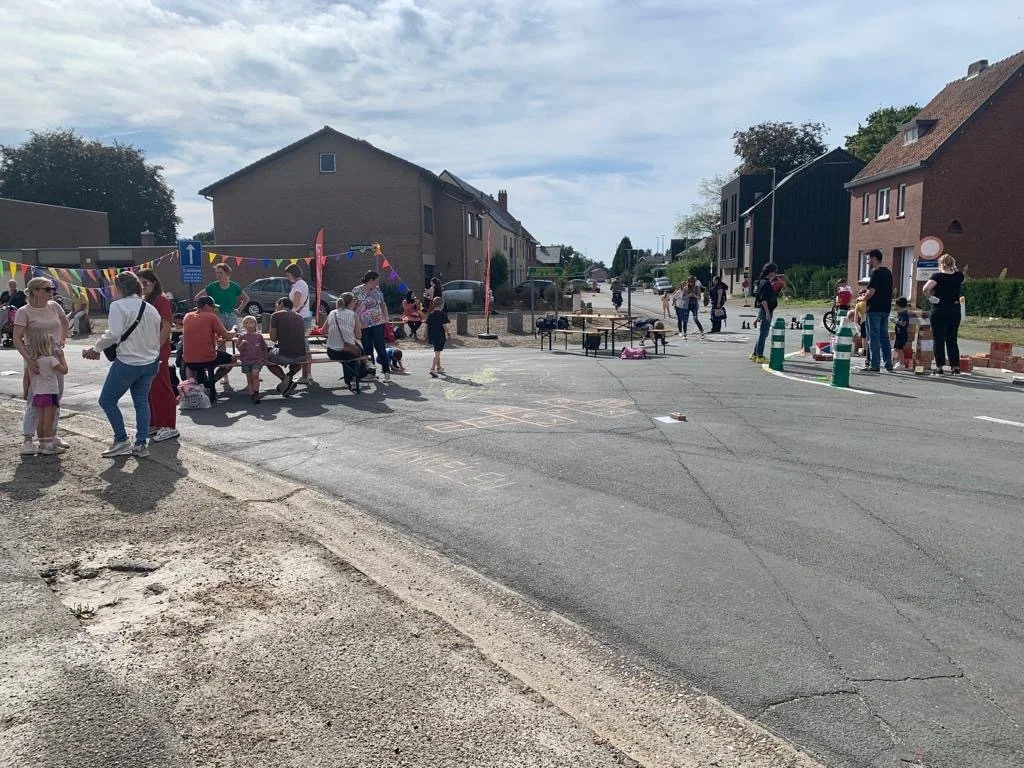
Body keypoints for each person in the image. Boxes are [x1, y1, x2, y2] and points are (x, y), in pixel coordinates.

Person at [83, 271, 163, 458]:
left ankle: (121, 440)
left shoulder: (118, 306)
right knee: (141, 402)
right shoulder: (150, 308)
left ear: (119, 288)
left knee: (107, 400)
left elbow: (114, 333)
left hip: (129, 361)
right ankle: (141, 444)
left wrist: (96, 349)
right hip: (150, 361)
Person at [14, 276, 70, 456]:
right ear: (35, 291)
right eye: (47, 289)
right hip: (35, 357)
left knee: (55, 396)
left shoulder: (54, 306)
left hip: (53, 355)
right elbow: (17, 338)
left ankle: (50, 436)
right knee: (34, 398)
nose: (51, 291)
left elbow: (64, 322)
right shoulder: (24, 311)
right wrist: (28, 359)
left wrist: (61, 341)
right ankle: (28, 439)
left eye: (52, 288)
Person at [139, 270, 178, 443]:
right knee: (149, 387)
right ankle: (155, 422)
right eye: (139, 283)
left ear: (154, 283)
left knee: (161, 385)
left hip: (157, 349)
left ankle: (168, 425)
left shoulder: (161, 300)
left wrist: (156, 347)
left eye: (145, 283)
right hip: (147, 349)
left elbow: (166, 326)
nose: (142, 286)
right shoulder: (144, 301)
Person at [182, 296, 236, 399]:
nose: (214, 309)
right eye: (212, 307)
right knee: (233, 359)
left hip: (189, 360)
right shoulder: (211, 317)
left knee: (195, 362)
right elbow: (228, 336)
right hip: (208, 358)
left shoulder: (187, 316)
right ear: (207, 306)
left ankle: (201, 385)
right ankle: (211, 382)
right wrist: (234, 329)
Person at [25, 332, 69, 456]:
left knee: (41, 420)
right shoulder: (51, 360)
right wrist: (62, 357)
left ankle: (42, 444)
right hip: (50, 393)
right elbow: (64, 370)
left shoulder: (33, 361)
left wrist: (25, 391)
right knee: (49, 420)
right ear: (46, 345)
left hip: (38, 393)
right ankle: (49, 446)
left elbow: (26, 378)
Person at [921, 253, 965, 375]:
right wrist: (954, 268)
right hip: (954, 309)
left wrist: (930, 298)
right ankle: (955, 366)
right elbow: (960, 276)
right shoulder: (959, 276)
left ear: (941, 264)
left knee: (938, 339)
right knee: (952, 338)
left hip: (939, 308)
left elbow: (925, 289)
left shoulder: (937, 276)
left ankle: (940, 366)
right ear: (953, 264)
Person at [353, 270, 391, 382]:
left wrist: (386, 317)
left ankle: (386, 371)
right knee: (367, 348)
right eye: (376, 280)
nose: (377, 282)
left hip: (377, 322)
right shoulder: (357, 290)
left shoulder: (377, 290)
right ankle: (371, 373)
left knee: (380, 347)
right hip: (363, 324)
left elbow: (382, 303)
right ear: (370, 280)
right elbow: (354, 306)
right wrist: (356, 322)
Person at [267, 296, 308, 397]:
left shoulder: (276, 315)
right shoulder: (300, 317)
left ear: (281, 304)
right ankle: (289, 376)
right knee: (299, 356)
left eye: (276, 305)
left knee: (265, 356)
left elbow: (272, 338)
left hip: (284, 355)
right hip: (301, 356)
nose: (276, 307)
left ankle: (285, 379)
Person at [325, 293, 367, 391]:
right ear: (350, 303)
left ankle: (350, 381)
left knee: (349, 350)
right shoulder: (353, 315)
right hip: (348, 352)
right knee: (354, 350)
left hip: (332, 352)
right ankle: (357, 376)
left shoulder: (332, 313)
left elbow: (323, 331)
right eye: (354, 301)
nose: (355, 303)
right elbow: (359, 336)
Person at [195, 262, 248, 337]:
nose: (218, 275)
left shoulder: (234, 286)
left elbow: (246, 298)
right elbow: (197, 298)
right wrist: (209, 310)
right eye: (217, 273)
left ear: (227, 273)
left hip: (231, 315)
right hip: (218, 315)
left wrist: (239, 309)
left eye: (220, 273)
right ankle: (221, 349)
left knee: (238, 336)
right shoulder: (213, 286)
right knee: (220, 338)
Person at [863, 249, 894, 373]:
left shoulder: (875, 272)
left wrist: (862, 298)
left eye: (868, 259)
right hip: (885, 308)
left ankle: (874, 364)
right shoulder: (888, 272)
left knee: (873, 337)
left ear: (874, 259)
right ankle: (888, 364)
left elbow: (871, 292)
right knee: (884, 337)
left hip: (874, 308)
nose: (867, 262)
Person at [284, 263, 313, 383]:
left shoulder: (298, 285)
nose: (287, 277)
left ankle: (305, 376)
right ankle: (307, 374)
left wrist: (287, 314)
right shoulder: (301, 284)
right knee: (305, 347)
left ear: (293, 273)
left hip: (300, 318)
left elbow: (295, 305)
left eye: (288, 274)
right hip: (305, 316)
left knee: (303, 348)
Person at [749, 262, 779, 364]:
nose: (775, 274)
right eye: (774, 272)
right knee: (763, 334)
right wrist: (767, 312)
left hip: (763, 310)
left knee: (763, 334)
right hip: (766, 310)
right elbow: (763, 299)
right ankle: (760, 356)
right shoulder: (765, 283)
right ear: (771, 272)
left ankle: (755, 354)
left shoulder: (761, 282)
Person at [236, 315, 269, 402]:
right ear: (244, 326)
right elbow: (239, 349)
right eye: (246, 323)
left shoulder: (259, 336)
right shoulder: (242, 337)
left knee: (255, 374)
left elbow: (264, 348)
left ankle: (257, 393)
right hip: (246, 361)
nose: (249, 324)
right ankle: (252, 394)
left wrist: (265, 358)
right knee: (249, 378)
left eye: (251, 322)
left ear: (255, 324)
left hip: (257, 360)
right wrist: (242, 344)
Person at [426, 297, 449, 378]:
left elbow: (427, 325)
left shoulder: (430, 314)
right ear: (442, 305)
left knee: (437, 352)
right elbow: (444, 326)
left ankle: (439, 368)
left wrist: (426, 335)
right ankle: (432, 369)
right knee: (437, 354)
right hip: (440, 336)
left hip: (432, 336)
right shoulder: (443, 315)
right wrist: (448, 333)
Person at [893, 297, 910, 369]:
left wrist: (895, 321)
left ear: (899, 305)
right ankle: (899, 361)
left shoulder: (904, 314)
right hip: (899, 333)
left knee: (900, 349)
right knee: (896, 348)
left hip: (902, 334)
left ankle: (902, 364)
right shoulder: (900, 313)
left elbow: (903, 323)